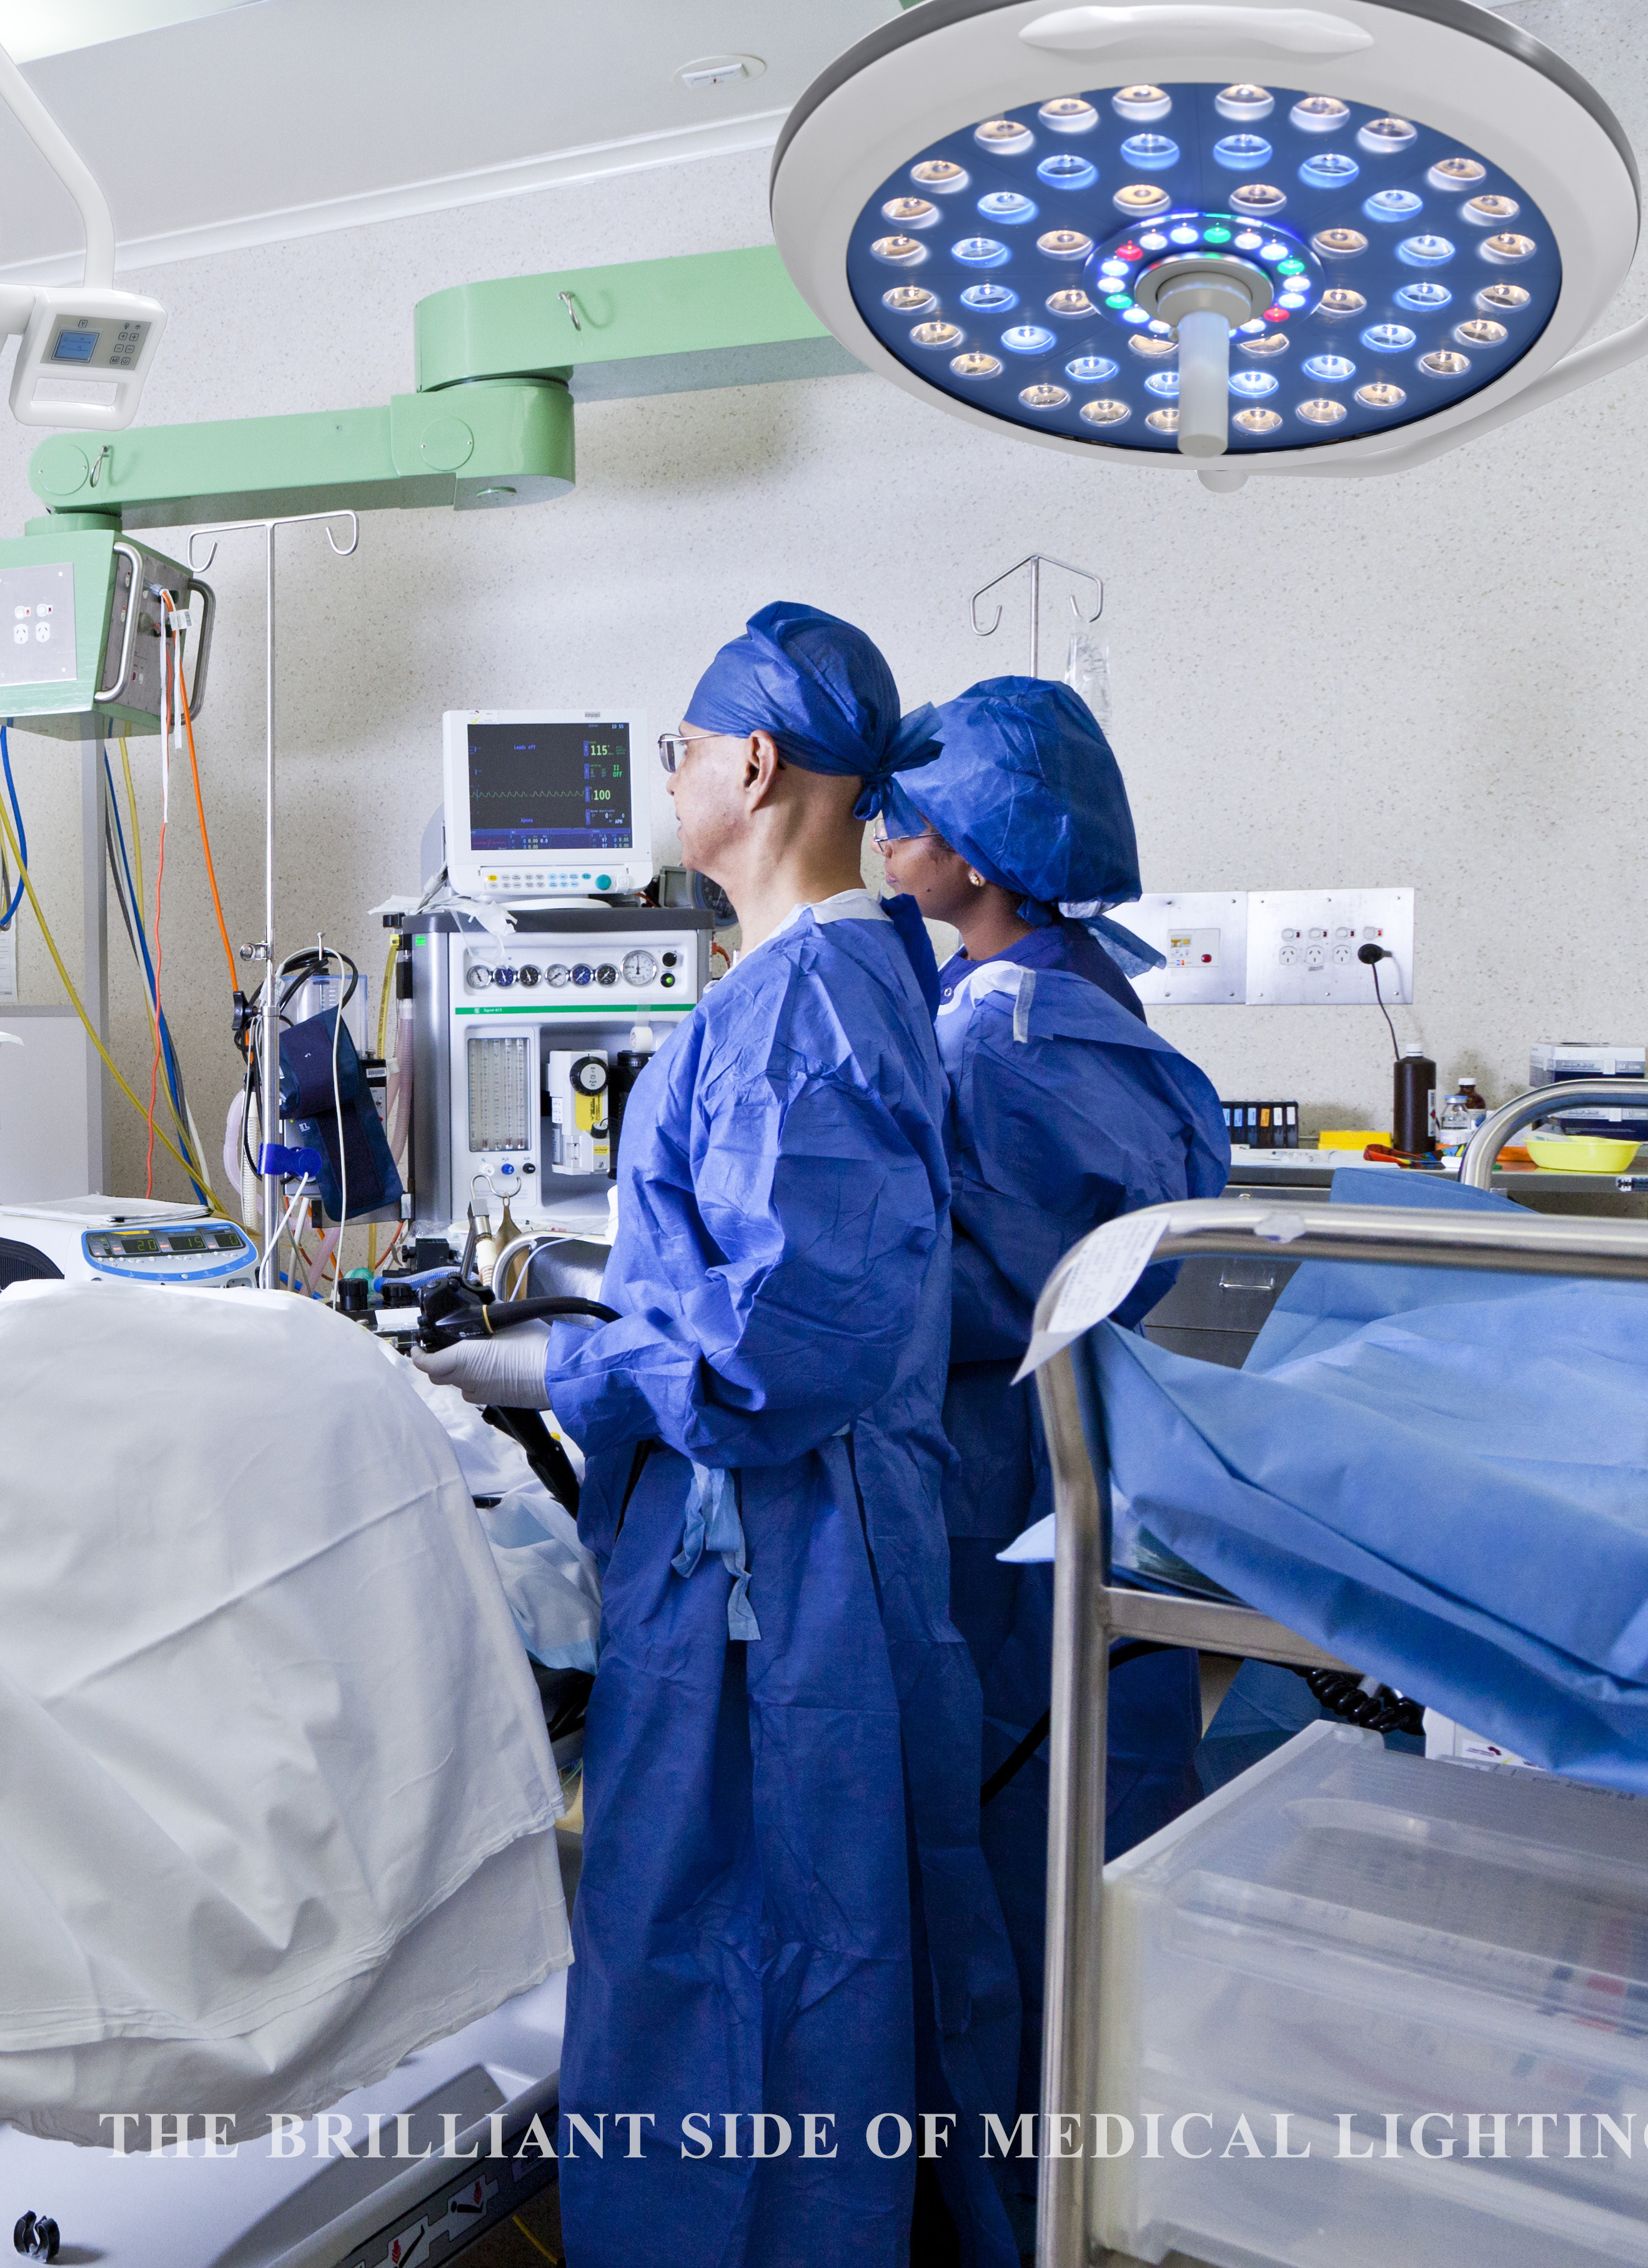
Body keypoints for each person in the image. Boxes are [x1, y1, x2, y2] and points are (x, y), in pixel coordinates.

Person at [418, 603, 1015, 2268]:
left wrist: (544, 1375)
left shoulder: (810, 1004)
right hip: (797, 1547)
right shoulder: (829, 984)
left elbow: (774, 1347)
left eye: (677, 752)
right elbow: (769, 1258)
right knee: (805, 1954)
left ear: (752, 766)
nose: (668, 780)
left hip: (772, 1575)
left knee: (735, 1968)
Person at [876, 675, 1228, 2213]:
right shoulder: (1094, 1000)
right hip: (1114, 1511)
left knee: (1015, 1897)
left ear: (979, 855)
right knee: (1106, 1875)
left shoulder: (989, 1046)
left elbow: (983, 1294)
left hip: (1012, 1518)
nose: (888, 827)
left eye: (915, 810)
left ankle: (1016, 2219)